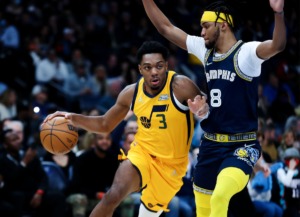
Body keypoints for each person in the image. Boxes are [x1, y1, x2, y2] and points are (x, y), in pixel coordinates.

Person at [141, 0, 286, 216]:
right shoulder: (205, 51)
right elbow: (166, 28)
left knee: (221, 196)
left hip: (241, 145)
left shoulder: (246, 53)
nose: (201, 32)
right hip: (211, 144)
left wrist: (279, 13)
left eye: (206, 26)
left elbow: (277, 45)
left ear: (223, 25)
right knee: (203, 210)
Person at [43, 40, 208, 217]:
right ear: (140, 69)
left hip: (172, 166)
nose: (154, 72)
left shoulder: (181, 85)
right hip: (143, 153)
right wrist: (73, 118)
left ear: (166, 66)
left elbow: (208, 109)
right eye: (147, 67)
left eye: (159, 66)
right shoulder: (131, 93)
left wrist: (201, 110)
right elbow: (105, 124)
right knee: (113, 195)